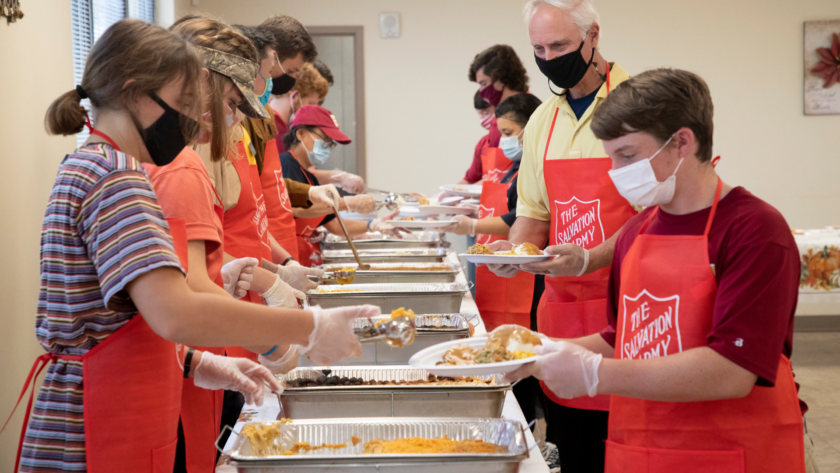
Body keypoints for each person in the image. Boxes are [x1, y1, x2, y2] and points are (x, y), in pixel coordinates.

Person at [5, 20, 375, 473]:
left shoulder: (89, 164)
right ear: (136, 93)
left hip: (102, 400)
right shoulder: (116, 177)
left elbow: (121, 315)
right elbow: (174, 311)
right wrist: (309, 327)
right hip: (100, 422)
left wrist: (198, 364)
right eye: (181, 104)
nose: (189, 121)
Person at [505, 67, 812, 473]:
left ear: (682, 142)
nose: (615, 173)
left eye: (627, 156)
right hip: (645, 452)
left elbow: (734, 371)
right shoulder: (637, 229)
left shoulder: (754, 230)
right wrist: (538, 351)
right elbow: (624, 336)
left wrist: (596, 375)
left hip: (733, 453)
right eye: (611, 156)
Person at [485, 1, 637, 471]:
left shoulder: (640, 104)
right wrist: (515, 252)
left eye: (560, 46)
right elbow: (533, 214)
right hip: (564, 312)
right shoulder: (542, 121)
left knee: (628, 444)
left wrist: (591, 258)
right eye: (538, 48)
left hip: (630, 308)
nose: (549, 58)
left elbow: (660, 216)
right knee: (574, 446)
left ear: (593, 35)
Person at [443, 93, 545, 426]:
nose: (503, 140)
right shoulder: (517, 166)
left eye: (509, 131)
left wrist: (472, 225)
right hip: (511, 267)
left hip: (533, 279)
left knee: (525, 350)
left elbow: (518, 218)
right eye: (499, 131)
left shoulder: (536, 168)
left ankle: (530, 426)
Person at [280, 105, 402, 265]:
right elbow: (297, 209)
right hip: (288, 257)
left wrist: (373, 225)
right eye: (324, 139)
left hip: (307, 257)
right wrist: (349, 203)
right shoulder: (286, 165)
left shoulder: (309, 176)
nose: (327, 148)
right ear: (301, 133)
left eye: (330, 144)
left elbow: (335, 225)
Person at [468, 44, 529, 183]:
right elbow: (494, 176)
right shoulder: (498, 119)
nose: (482, 93)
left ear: (500, 78)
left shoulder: (534, 113)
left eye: (483, 83)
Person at [459, 91, 495, 185]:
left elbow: (500, 178)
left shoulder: (514, 145)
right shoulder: (483, 143)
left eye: (485, 112)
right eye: (479, 113)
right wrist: (450, 193)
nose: (482, 118)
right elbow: (469, 179)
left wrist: (468, 191)